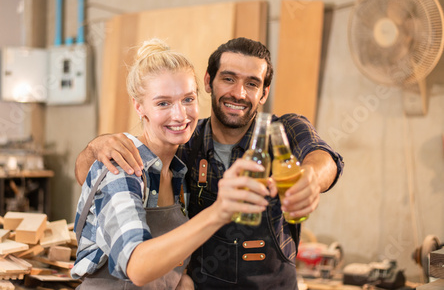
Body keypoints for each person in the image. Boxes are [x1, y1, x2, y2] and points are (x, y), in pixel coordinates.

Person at [74, 37, 344, 289]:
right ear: (209, 81)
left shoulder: (278, 132)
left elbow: (323, 158)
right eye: (229, 78)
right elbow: (96, 180)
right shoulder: (178, 149)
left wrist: (309, 177)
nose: (238, 93)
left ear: (263, 93)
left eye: (252, 83)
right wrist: (97, 146)